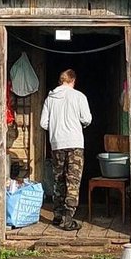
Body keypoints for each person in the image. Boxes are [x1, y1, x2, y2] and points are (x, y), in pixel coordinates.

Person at [38, 67, 92, 231]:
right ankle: (68, 219)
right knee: (73, 181)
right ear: (73, 81)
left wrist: (56, 127)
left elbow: (43, 123)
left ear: (60, 81)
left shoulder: (50, 99)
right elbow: (87, 119)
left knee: (59, 179)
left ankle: (57, 215)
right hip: (75, 143)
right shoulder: (79, 96)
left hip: (57, 144)